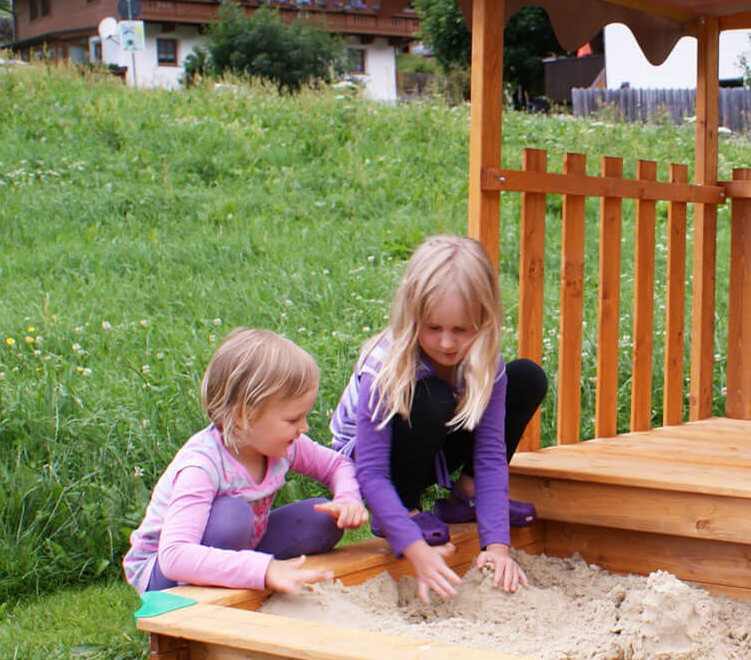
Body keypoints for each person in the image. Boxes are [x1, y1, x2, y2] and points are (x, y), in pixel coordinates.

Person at [329, 235, 549, 603]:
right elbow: (371, 472)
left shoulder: (484, 359)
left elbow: (490, 454)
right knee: (429, 398)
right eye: (433, 328)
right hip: (371, 458)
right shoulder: (385, 366)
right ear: (412, 316)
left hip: (435, 437)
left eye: (460, 330)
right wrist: (412, 544)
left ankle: (464, 498)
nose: (447, 343)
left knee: (526, 377)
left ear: (483, 320)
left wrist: (497, 547)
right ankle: (404, 508)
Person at [123, 328, 368, 596]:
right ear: (244, 417)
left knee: (323, 518)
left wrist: (347, 498)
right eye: (293, 419)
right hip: (166, 577)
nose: (304, 428)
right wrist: (264, 570)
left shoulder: (284, 445)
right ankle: (217, 604)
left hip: (241, 545)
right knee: (233, 516)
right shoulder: (202, 465)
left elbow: (338, 465)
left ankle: (245, 579)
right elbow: (174, 556)